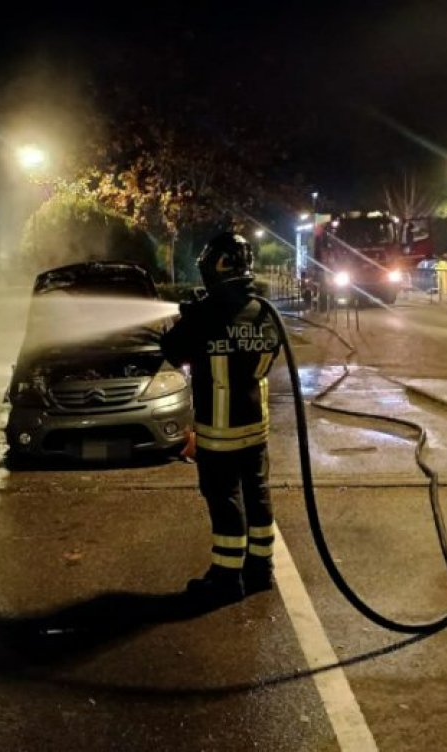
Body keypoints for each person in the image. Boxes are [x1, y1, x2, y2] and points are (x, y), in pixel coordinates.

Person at [161, 231, 282, 604]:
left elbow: (171, 349)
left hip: (218, 432)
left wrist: (188, 317)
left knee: (224, 497)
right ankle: (260, 570)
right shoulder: (264, 311)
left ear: (216, 267)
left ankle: (227, 578)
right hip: (256, 428)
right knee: (257, 494)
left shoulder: (205, 314)